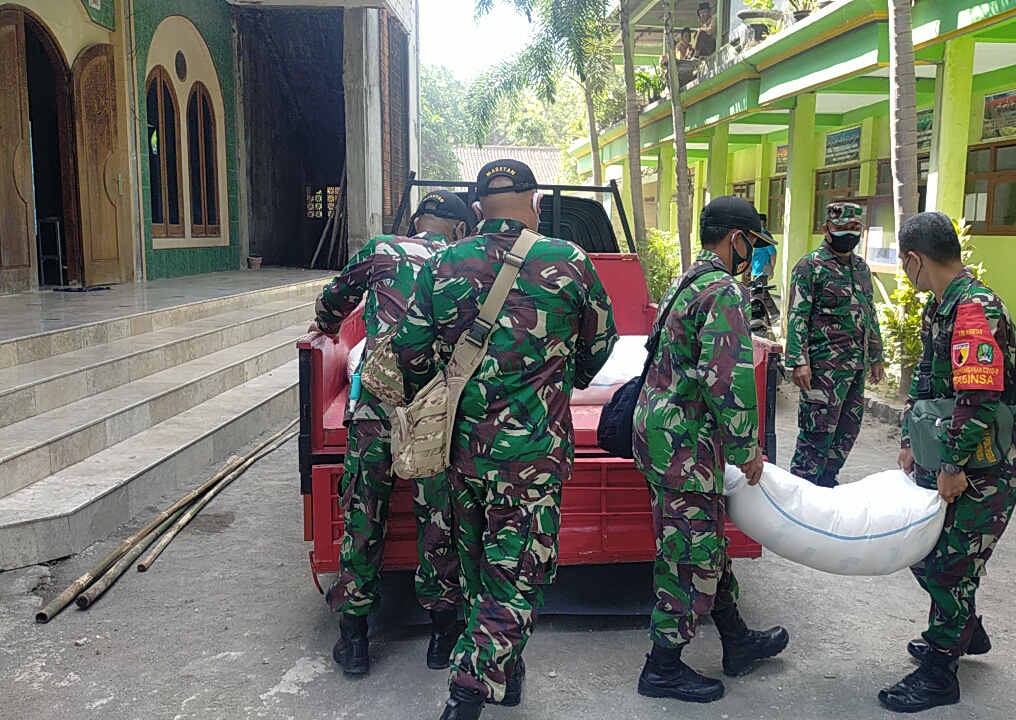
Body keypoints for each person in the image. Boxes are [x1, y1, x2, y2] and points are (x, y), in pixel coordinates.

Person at [390, 160, 618, 720]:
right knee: (516, 574)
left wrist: (445, 393)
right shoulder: (569, 261)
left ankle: (507, 673)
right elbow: (600, 345)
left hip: (460, 452)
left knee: (476, 570)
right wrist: (561, 377)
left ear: (476, 209)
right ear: (535, 200)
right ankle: (468, 693)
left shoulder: (443, 264)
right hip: (532, 455)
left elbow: (409, 350)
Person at [632, 195, 788, 704]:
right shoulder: (723, 291)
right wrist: (747, 448)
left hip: (660, 433)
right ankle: (661, 668)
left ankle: (737, 640)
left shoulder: (687, 279)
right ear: (736, 239)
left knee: (705, 542)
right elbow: (727, 378)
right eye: (754, 244)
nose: (754, 255)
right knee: (688, 555)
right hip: (685, 445)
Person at [313, 191, 473, 677]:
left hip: (376, 407)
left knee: (364, 514)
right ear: (459, 229)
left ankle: (355, 641)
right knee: (439, 517)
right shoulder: (464, 262)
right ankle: (443, 636)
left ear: (417, 221)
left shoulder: (382, 248)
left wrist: (324, 325)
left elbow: (334, 301)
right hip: (434, 413)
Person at [881, 211, 1016, 713]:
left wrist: (951, 467)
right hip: (955, 455)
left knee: (949, 566)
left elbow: (978, 399)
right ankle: (965, 629)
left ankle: (939, 673)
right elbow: (926, 377)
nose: (905, 271)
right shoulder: (940, 307)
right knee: (922, 550)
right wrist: (909, 437)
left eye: (903, 263)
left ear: (914, 259)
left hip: (988, 464)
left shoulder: (973, 309)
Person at [784, 201, 884, 488]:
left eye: (855, 228)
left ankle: (827, 483)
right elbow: (798, 315)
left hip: (855, 367)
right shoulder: (810, 267)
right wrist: (799, 361)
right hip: (823, 369)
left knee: (847, 430)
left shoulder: (861, 268)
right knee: (817, 432)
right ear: (826, 228)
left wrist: (876, 355)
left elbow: (869, 312)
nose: (849, 234)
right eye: (842, 228)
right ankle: (803, 489)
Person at [750, 213, 776, 283]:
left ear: (762, 223)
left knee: (761, 289)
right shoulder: (757, 235)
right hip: (756, 271)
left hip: (763, 273)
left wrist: (771, 271)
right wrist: (750, 268)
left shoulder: (766, 237)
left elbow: (773, 255)